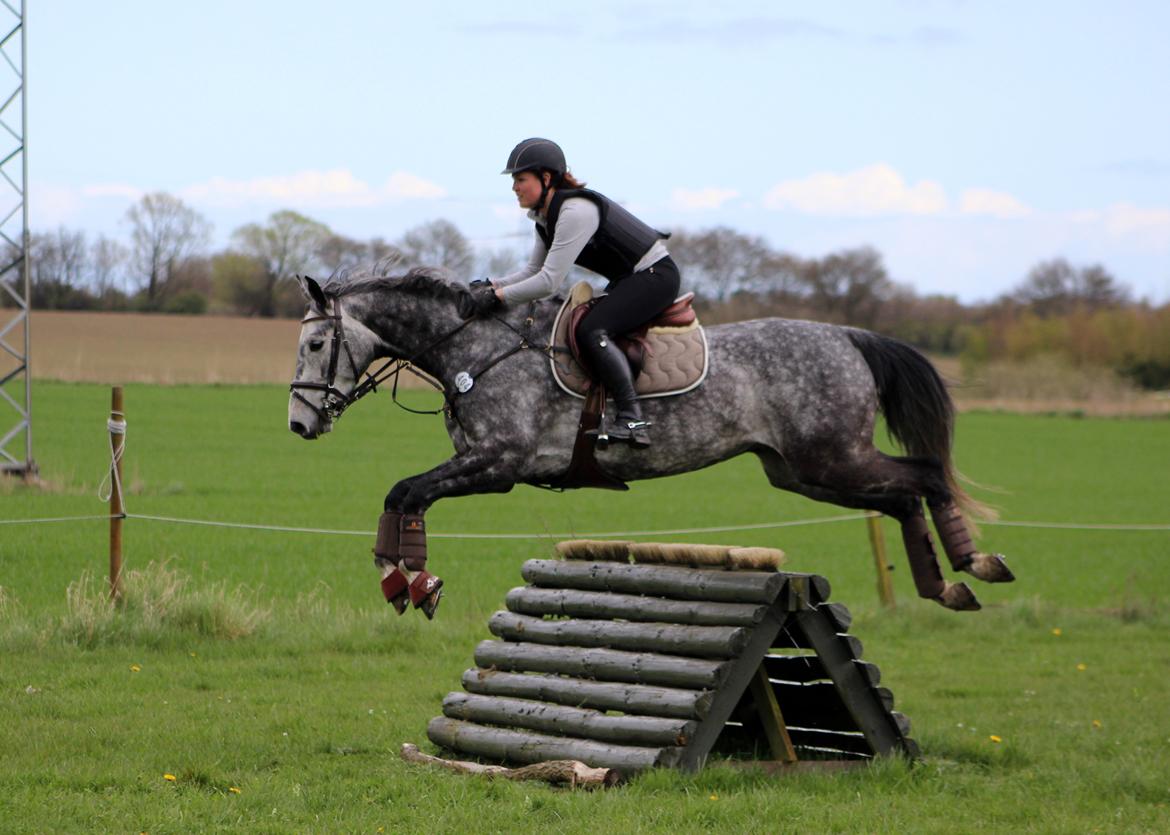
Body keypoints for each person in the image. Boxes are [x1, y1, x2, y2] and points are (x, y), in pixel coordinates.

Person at [470, 137, 682, 447]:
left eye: (520, 179)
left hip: (655, 277)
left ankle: (633, 418)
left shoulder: (575, 211)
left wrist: (498, 297)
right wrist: (491, 285)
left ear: (545, 178)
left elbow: (548, 282)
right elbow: (531, 272)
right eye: (514, 181)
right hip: (631, 279)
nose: (514, 188)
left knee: (592, 328)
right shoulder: (544, 219)